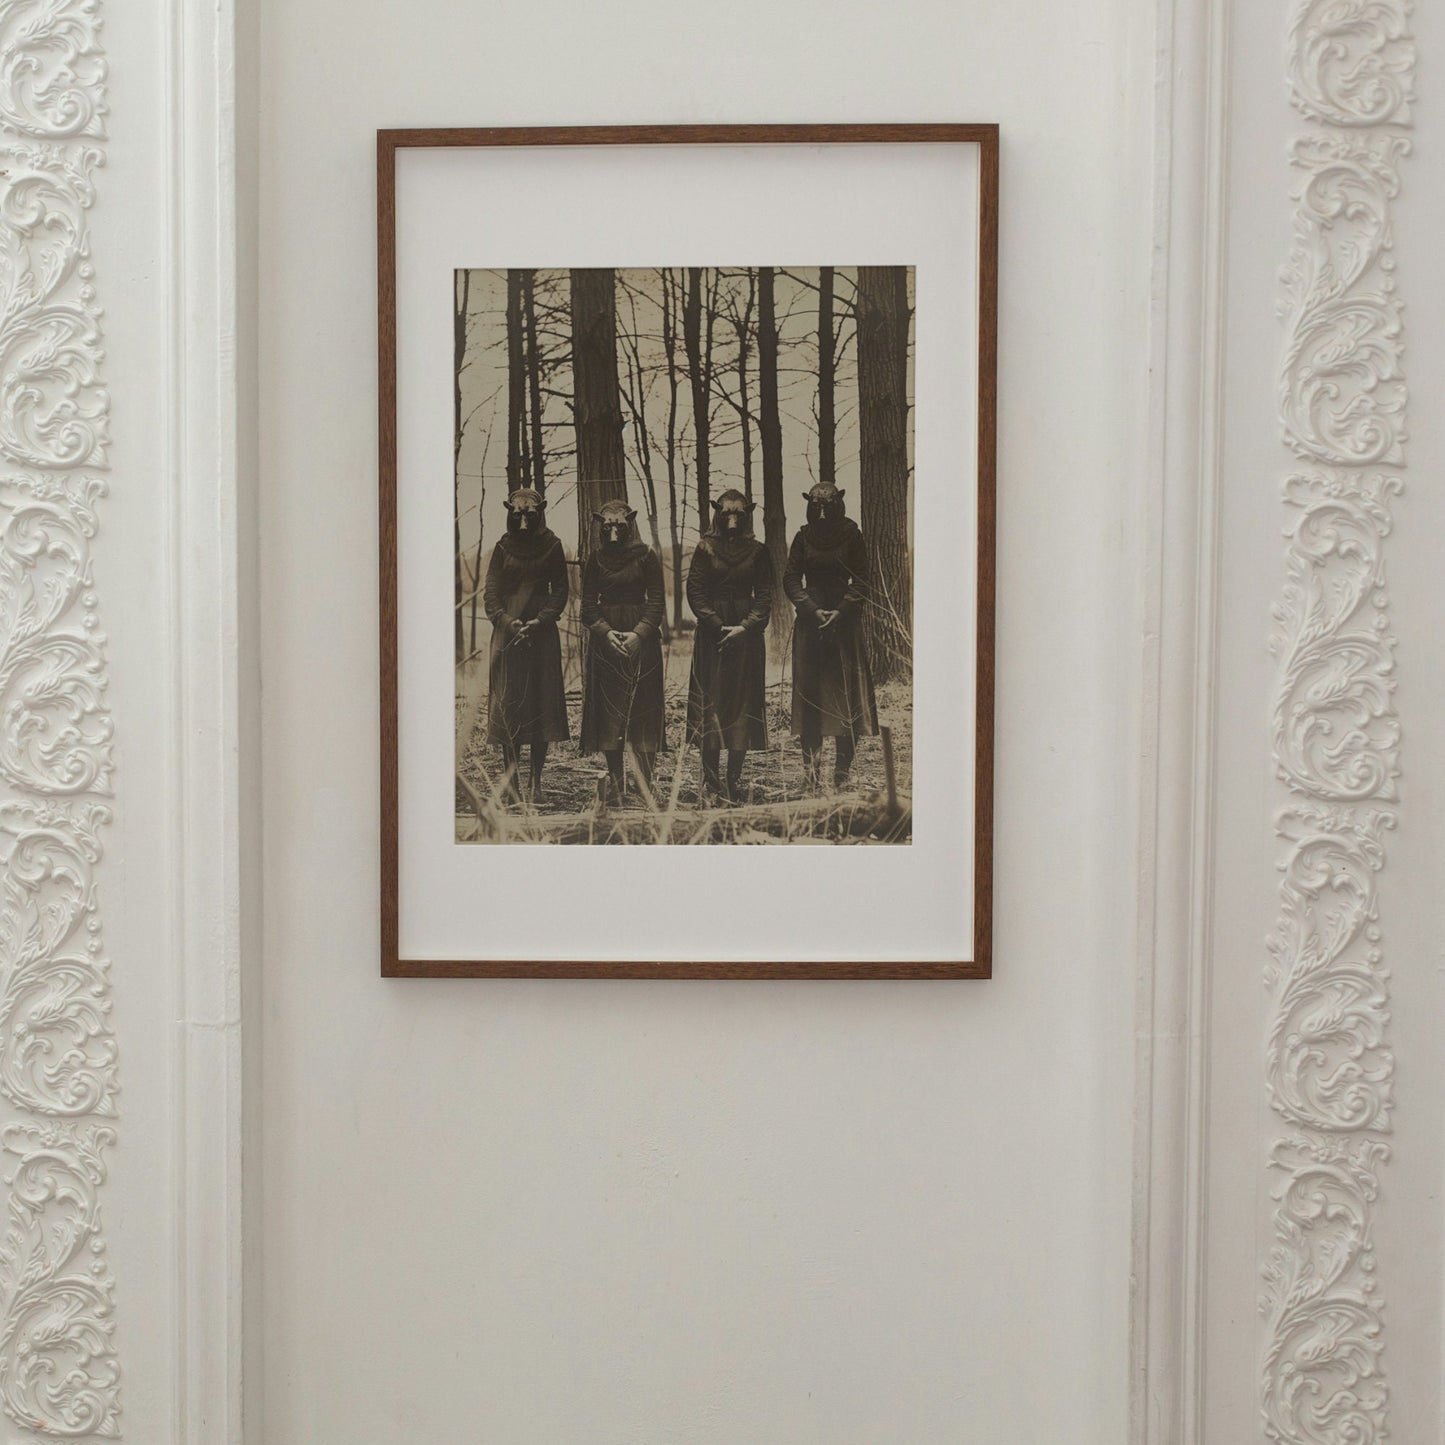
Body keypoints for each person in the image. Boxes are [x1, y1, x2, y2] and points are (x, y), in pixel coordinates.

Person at [783, 482, 879, 790]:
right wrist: (811, 609)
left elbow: (863, 578)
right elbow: (791, 578)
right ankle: (810, 776)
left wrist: (842, 610)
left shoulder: (852, 534)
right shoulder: (802, 537)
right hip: (811, 625)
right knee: (810, 699)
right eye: (816, 508)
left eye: (828, 507)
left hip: (844, 625)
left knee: (846, 698)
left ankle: (841, 773)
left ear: (838, 504)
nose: (822, 515)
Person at [481, 487, 569, 804]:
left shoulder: (553, 545)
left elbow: (560, 589)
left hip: (541, 636)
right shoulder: (503, 548)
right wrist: (507, 621)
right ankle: (512, 782)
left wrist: (542, 619)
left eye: (529, 515)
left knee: (541, 707)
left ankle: (536, 782)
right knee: (510, 707)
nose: (522, 521)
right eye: (516, 514)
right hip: (508, 637)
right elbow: (491, 594)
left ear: (539, 513)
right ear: (509, 513)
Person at [685, 489, 773, 802]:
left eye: (738, 514)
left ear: (747, 514)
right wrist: (715, 623)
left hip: (746, 638)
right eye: (726, 514)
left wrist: (746, 626)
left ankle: (733, 779)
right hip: (713, 636)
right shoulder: (705, 548)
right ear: (718, 515)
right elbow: (695, 591)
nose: (732, 521)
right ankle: (711, 782)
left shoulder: (759, 551)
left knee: (743, 705)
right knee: (711, 703)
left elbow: (765, 595)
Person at [579, 500, 667, 801]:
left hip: (642, 642)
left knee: (644, 706)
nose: (614, 531)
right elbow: (588, 605)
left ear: (629, 524)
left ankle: (645, 786)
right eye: (608, 526)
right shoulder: (596, 559)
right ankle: (615, 785)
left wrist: (639, 634)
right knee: (609, 713)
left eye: (620, 525)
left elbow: (657, 601)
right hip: (607, 643)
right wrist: (605, 633)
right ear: (600, 527)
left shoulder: (646, 556)